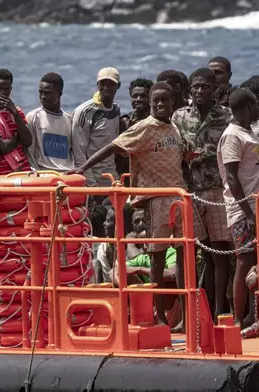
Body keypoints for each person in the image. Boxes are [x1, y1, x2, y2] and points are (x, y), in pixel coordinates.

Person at [72, 82, 193, 328]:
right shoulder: (143, 128)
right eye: (156, 101)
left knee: (184, 258)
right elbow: (113, 146)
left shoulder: (174, 128)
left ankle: (184, 316)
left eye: (165, 101)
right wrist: (83, 168)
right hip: (155, 200)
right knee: (157, 261)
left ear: (172, 103)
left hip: (178, 198)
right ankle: (158, 315)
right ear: (150, 103)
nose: (160, 105)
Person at [217, 88, 259, 328]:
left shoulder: (250, 132)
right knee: (245, 261)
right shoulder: (233, 135)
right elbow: (232, 177)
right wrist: (248, 212)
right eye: (255, 104)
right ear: (246, 106)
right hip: (245, 210)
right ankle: (238, 318)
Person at [172, 68, 233, 318]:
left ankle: (220, 311)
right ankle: (201, 313)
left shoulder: (227, 116)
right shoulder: (180, 117)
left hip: (218, 190)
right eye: (195, 87)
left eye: (205, 86)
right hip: (191, 191)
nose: (199, 91)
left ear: (214, 88)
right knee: (203, 254)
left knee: (220, 253)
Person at [72, 67, 122, 188]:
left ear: (118, 86)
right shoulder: (84, 111)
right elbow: (79, 152)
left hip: (111, 176)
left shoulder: (116, 110)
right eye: (103, 84)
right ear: (97, 84)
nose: (106, 88)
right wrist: (91, 185)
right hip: (92, 177)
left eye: (111, 84)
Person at [25, 72, 74, 172]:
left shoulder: (70, 119)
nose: (43, 96)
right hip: (44, 174)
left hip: (67, 174)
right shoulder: (33, 117)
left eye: (47, 93)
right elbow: (29, 153)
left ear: (59, 93)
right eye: (40, 92)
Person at [0, 69, 32, 175]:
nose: (2, 93)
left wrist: (15, 114)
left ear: (11, 89)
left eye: (6, 89)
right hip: (1, 174)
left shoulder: (17, 112)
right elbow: (3, 147)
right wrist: (18, 138)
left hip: (23, 171)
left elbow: (28, 141)